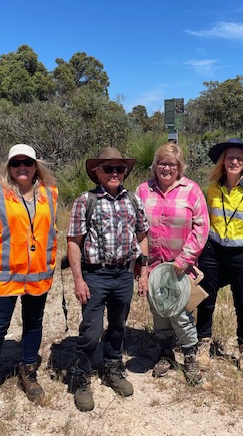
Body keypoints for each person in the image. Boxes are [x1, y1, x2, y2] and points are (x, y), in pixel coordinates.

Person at [0, 144, 59, 422]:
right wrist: (3, 253)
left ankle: (28, 371)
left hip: (38, 275)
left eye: (28, 163)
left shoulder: (49, 194)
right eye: (16, 163)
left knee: (34, 324)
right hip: (4, 275)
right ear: (9, 166)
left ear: (36, 166)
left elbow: (51, 230)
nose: (22, 167)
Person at [66, 147, 150, 412]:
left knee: (118, 326)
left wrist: (143, 273)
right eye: (109, 168)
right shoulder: (85, 200)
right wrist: (78, 280)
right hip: (96, 275)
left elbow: (142, 236)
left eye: (119, 169)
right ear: (97, 172)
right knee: (91, 331)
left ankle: (113, 367)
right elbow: (73, 242)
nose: (115, 173)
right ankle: (81, 375)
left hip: (124, 273)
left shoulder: (133, 201)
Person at [135, 142, 209, 385]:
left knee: (180, 313)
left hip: (181, 265)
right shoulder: (143, 190)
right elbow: (135, 227)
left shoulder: (192, 190)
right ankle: (165, 352)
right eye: (162, 163)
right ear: (155, 166)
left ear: (179, 167)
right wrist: (141, 264)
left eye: (172, 164)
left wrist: (185, 258)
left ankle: (189, 356)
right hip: (153, 265)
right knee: (159, 310)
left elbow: (201, 226)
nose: (166, 168)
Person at [195, 138, 243, 375]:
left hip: (242, 255)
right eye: (230, 157)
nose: (234, 161)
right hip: (213, 252)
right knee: (205, 300)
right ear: (223, 162)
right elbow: (205, 219)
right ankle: (203, 344)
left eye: (239, 158)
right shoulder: (213, 188)